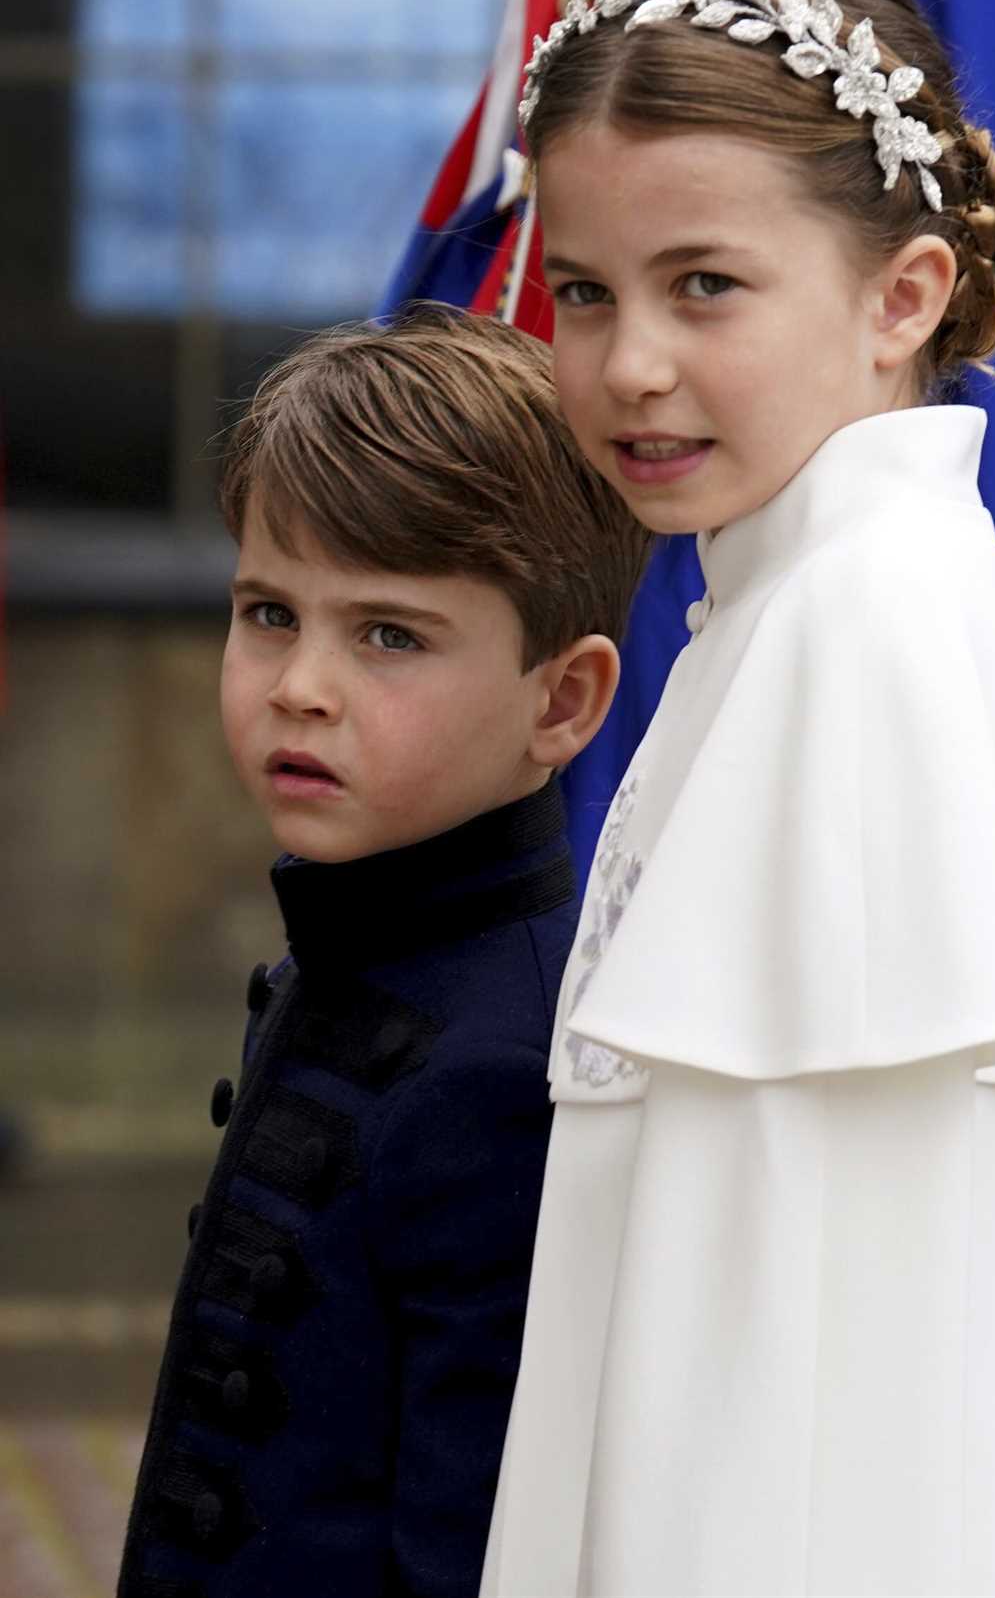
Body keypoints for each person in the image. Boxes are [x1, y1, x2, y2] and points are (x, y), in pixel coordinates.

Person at [481, 0, 995, 1598]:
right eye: (584, 291)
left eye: (705, 284)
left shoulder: (862, 633)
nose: (630, 364)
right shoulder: (786, 609)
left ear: (899, 295)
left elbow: (803, 1327)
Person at [116, 304, 651, 1598]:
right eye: (266, 611)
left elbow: (468, 1540)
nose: (300, 683)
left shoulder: (502, 1069)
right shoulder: (343, 952)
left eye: (388, 634)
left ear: (563, 699)